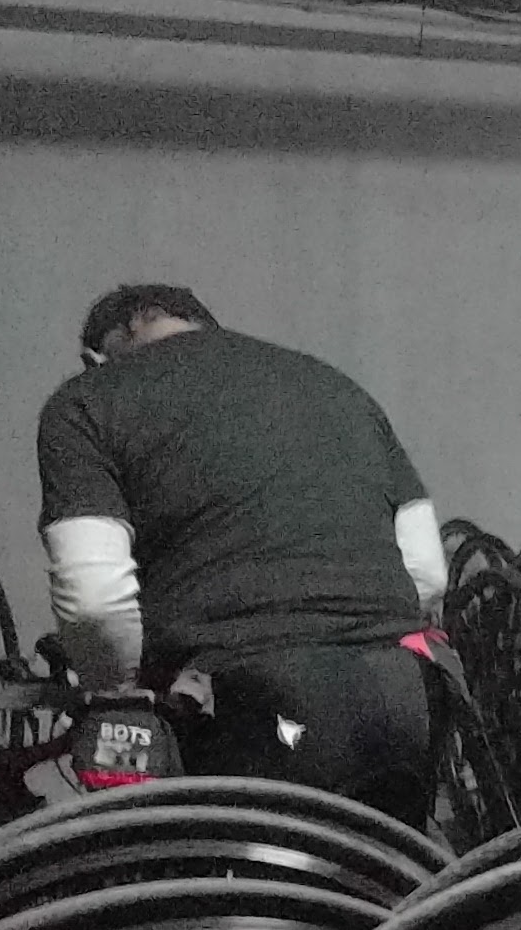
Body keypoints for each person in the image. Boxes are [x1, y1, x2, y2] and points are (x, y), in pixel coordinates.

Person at [38, 282, 449, 824]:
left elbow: (94, 602)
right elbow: (425, 572)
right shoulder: (336, 386)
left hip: (246, 710)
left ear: (97, 356)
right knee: (389, 868)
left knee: (230, 873)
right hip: (401, 694)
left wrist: (117, 696)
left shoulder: (88, 400)